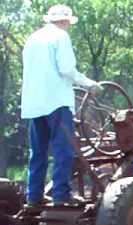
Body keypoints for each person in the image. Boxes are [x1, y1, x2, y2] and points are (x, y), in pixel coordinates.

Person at [21, 4, 102, 206]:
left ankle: (34, 196)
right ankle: (61, 195)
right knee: (63, 149)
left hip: (33, 104)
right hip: (57, 102)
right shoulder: (60, 37)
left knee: (38, 151)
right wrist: (89, 84)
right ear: (65, 21)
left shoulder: (32, 39)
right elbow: (67, 69)